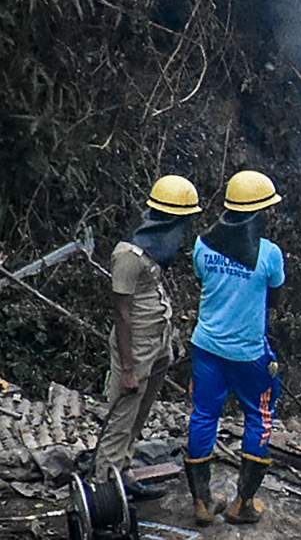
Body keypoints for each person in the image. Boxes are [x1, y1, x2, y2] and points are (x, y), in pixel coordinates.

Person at [184, 169, 285, 525]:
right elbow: (273, 298)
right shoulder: (270, 255)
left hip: (206, 349)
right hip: (248, 355)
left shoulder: (202, 246)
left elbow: (204, 280)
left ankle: (201, 502)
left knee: (204, 416)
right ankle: (243, 504)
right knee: (259, 416)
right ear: (258, 213)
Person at [94, 175, 201, 499]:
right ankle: (104, 487)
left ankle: (122, 473)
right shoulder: (128, 255)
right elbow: (122, 313)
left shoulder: (153, 250)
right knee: (122, 414)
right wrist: (127, 367)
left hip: (157, 341)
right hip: (136, 345)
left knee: (139, 414)